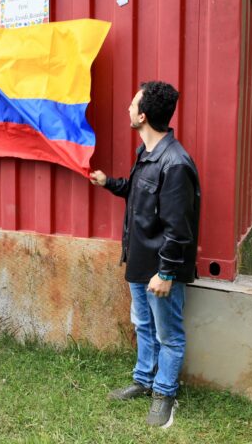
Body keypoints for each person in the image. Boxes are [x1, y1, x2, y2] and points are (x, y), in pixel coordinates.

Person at [89, 81, 200, 428]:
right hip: (138, 261)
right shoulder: (145, 155)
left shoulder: (175, 163)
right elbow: (139, 196)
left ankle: (164, 393)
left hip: (160, 269)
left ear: (144, 115)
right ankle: (143, 380)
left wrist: (166, 273)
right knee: (144, 326)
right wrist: (109, 183)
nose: (127, 108)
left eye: (132, 103)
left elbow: (179, 228)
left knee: (168, 334)